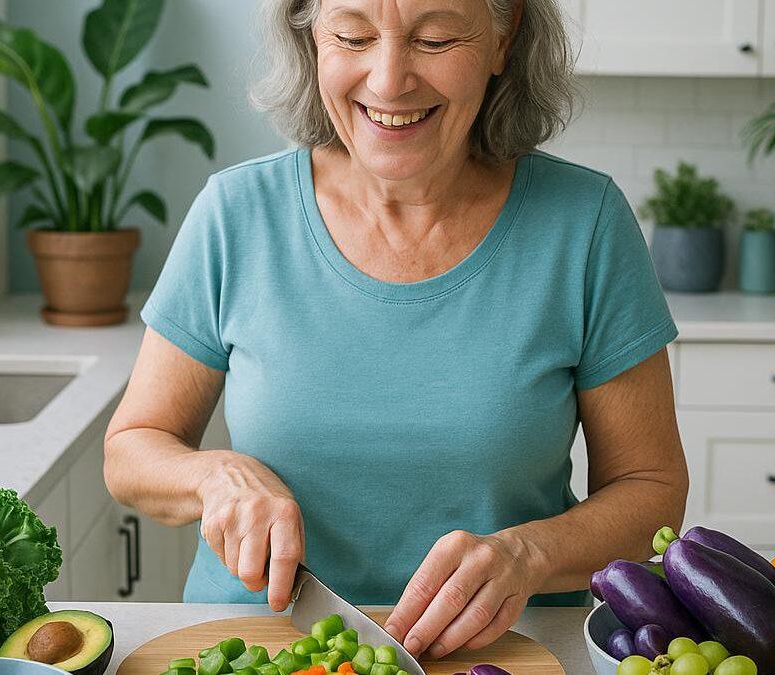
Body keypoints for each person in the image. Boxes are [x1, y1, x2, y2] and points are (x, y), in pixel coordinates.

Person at [104, 0, 688, 661]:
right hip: (258, 649)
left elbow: (652, 491)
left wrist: (527, 554)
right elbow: (131, 450)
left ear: (504, 37)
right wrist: (215, 477)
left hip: (503, 652)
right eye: (352, 36)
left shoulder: (586, 226)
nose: (388, 80)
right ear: (312, 40)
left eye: (435, 40)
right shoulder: (235, 214)